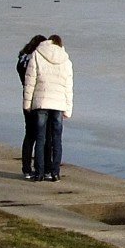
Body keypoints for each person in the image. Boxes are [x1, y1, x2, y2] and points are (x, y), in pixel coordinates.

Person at [20, 33, 73, 181]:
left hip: (41, 102)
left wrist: (27, 104)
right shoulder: (66, 60)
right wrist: (68, 108)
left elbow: (30, 81)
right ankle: (55, 172)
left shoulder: (37, 55)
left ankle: (39, 173)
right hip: (59, 103)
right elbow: (68, 86)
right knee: (56, 139)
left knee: (40, 137)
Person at [15, 34, 47, 178]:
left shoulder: (22, 58)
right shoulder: (35, 59)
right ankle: (41, 167)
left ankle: (26, 168)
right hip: (37, 98)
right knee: (41, 135)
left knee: (29, 135)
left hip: (26, 96)